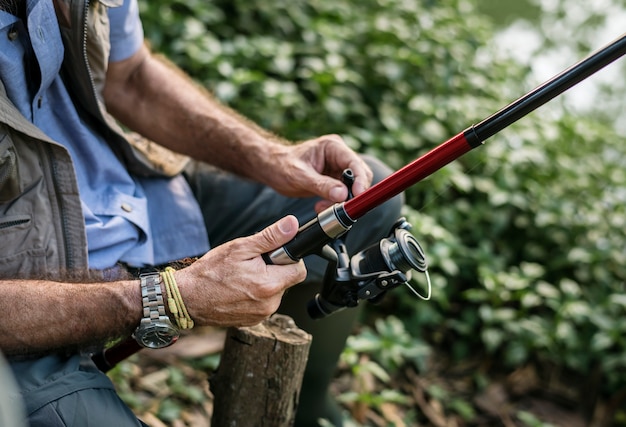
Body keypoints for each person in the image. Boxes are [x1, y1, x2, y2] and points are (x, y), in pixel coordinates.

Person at [0, 0, 402, 426]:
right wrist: (166, 297)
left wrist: (269, 157)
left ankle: (307, 408)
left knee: (369, 198)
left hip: (130, 200)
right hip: (23, 320)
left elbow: (131, 77)